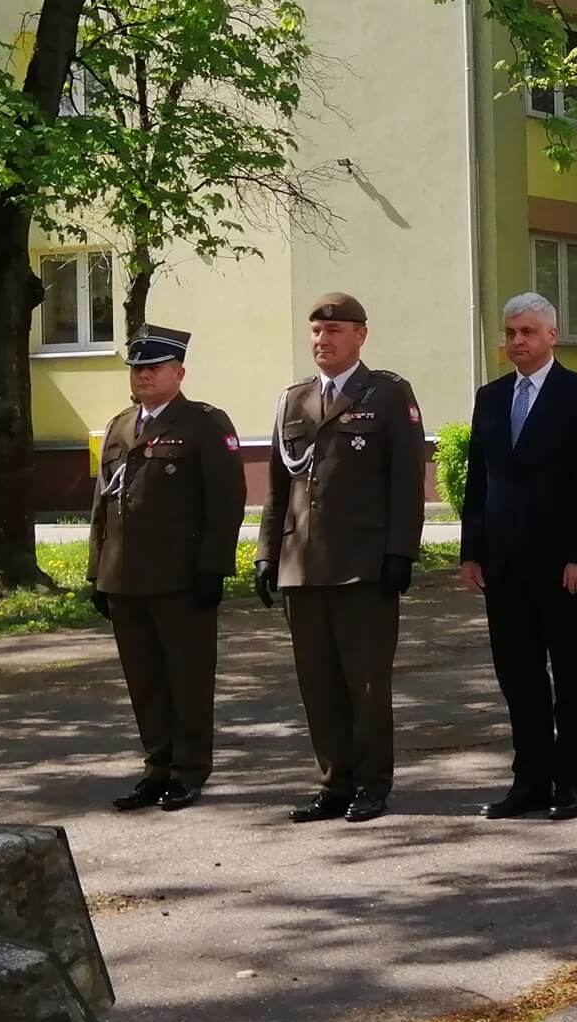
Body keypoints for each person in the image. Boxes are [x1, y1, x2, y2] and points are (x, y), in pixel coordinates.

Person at [256, 293, 426, 824]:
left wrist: (401, 551)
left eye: (333, 332)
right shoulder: (294, 401)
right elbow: (277, 491)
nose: (321, 341)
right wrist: (266, 554)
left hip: (363, 566)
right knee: (318, 682)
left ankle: (371, 784)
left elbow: (407, 482)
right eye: (315, 332)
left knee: (366, 682)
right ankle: (334, 781)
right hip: (302, 567)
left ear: (360, 336)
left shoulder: (388, 394)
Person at [459, 293, 577, 821]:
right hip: (501, 567)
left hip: (561, 566)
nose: (517, 342)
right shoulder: (491, 397)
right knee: (518, 678)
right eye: (510, 333)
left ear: (553, 335)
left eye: (528, 331)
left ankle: (570, 783)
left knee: (571, 678)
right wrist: (470, 552)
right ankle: (529, 781)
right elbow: (479, 480)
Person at [88, 326, 247, 814]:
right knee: (145, 681)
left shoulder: (203, 424)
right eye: (137, 369)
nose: (143, 376)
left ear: (179, 372)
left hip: (181, 580)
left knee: (188, 678)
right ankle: (156, 767)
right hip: (125, 579)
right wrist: (96, 571)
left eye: (153, 368)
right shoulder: (119, 427)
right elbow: (101, 505)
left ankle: (189, 771)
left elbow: (227, 502)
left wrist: (214, 569)